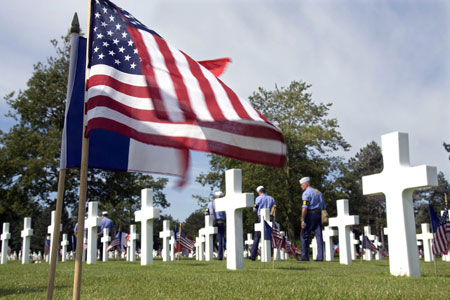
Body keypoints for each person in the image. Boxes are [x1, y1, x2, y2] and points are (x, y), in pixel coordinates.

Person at [299, 177, 326, 261]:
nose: (301, 187)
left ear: (306, 184)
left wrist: (302, 219)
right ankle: (320, 257)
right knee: (319, 236)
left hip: (310, 215)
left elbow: (304, 207)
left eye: (302, 185)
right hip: (319, 214)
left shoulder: (306, 193)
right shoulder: (318, 192)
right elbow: (323, 206)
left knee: (304, 235)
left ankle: (304, 256)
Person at [249, 185, 276, 261]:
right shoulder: (271, 198)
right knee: (268, 236)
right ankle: (270, 254)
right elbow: (274, 208)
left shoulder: (258, 198)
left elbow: (255, 209)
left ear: (259, 192)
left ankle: (253, 255)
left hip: (261, 218)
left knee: (257, 237)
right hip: (270, 218)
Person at [205, 191, 226, 260]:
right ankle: (220, 256)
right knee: (220, 239)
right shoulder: (223, 203)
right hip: (220, 222)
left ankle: (210, 255)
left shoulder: (210, 203)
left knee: (211, 239)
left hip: (212, 222)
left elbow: (206, 212)